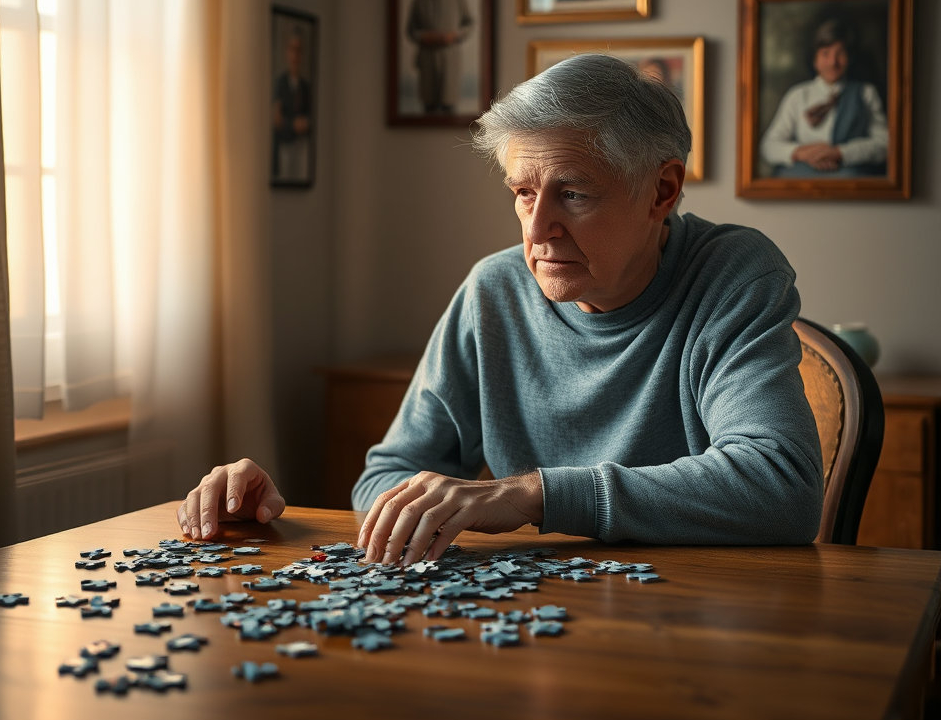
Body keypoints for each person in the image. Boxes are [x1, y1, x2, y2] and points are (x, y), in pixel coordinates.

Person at [177, 54, 823, 564]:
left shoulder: (733, 273)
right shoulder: (494, 291)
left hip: (700, 631)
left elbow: (780, 489)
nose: (537, 230)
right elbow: (392, 471)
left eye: (572, 194)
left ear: (662, 190)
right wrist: (287, 517)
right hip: (535, 626)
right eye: (522, 193)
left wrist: (530, 494)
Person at [759, 16, 887, 178]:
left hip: (850, 179)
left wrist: (840, 153)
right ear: (815, 60)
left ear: (850, 58)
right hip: (804, 177)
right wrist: (801, 152)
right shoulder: (798, 95)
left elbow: (884, 144)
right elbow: (769, 146)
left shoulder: (866, 93)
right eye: (825, 54)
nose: (833, 62)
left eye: (840, 53)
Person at [406, 0, 473, 115]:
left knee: (448, 101)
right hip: (427, 57)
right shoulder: (420, 1)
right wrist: (425, 37)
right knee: (428, 103)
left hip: (450, 56)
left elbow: (469, 23)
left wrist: (454, 35)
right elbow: (411, 30)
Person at [272, 28, 312, 181]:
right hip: (286, 144)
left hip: (301, 145)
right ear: (287, 52)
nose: (295, 55)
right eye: (292, 49)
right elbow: (277, 119)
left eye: (299, 50)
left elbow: (310, 116)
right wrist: (292, 124)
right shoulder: (280, 83)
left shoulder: (305, 87)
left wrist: (306, 123)